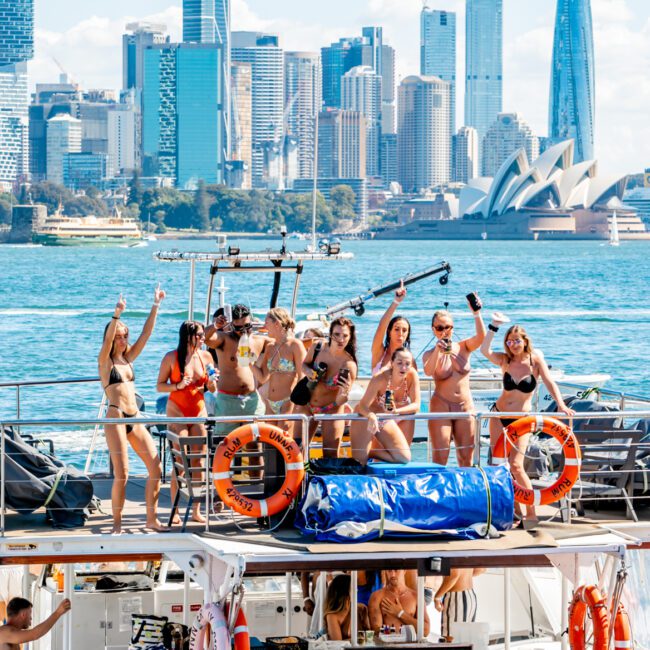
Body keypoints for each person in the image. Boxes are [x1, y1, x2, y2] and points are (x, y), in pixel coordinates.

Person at [480, 319, 575, 521]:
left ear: (524, 340)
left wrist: (561, 404)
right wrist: (494, 326)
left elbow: (549, 382)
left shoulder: (535, 359)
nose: (512, 345)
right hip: (499, 416)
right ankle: (512, 511)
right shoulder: (505, 360)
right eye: (508, 341)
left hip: (522, 420)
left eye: (516, 340)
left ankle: (530, 514)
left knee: (516, 465)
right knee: (500, 466)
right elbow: (484, 350)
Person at [98, 287, 166, 534]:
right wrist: (117, 314)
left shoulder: (129, 358)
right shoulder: (105, 361)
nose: (123, 339)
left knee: (155, 468)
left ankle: (151, 518)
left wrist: (156, 305)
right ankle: (117, 523)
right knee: (122, 475)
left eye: (125, 335)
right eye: (119, 335)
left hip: (134, 417)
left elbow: (147, 334)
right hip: (115, 417)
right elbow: (107, 342)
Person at [157, 320, 217, 524]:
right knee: (180, 462)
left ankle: (196, 510)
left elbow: (212, 389)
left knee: (198, 462)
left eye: (202, 335)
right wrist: (178, 385)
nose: (202, 338)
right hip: (177, 411)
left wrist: (210, 384)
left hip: (198, 411)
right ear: (188, 336)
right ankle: (174, 511)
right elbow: (159, 386)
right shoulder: (171, 357)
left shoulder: (206, 356)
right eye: (199, 335)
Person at [423, 298, 486, 467]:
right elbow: (428, 371)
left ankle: (465, 492)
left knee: (466, 459)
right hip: (441, 406)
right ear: (434, 330)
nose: (444, 331)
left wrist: (476, 313)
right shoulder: (429, 353)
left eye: (448, 327)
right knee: (440, 459)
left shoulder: (464, 346)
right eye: (440, 328)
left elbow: (481, 337)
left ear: (452, 328)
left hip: (465, 406)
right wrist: (438, 350)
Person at [295, 316, 357, 457]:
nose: (341, 339)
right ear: (330, 334)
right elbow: (304, 364)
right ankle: (302, 478)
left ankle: (323, 479)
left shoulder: (348, 364)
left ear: (350, 337)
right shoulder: (318, 347)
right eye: (337, 334)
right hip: (308, 405)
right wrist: (309, 371)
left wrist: (344, 395)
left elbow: (341, 400)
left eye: (345, 335)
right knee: (297, 450)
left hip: (332, 409)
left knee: (329, 456)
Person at [204, 304, 268, 437]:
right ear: (232, 325)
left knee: (255, 447)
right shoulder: (224, 339)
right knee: (225, 444)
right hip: (228, 401)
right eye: (239, 328)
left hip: (252, 400)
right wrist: (215, 326)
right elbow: (203, 337)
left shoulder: (258, 340)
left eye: (247, 326)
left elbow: (284, 344)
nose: (244, 331)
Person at [351, 347, 420, 465]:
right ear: (392, 363)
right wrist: (371, 415)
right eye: (399, 363)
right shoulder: (380, 377)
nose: (404, 367)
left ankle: (371, 452)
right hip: (366, 417)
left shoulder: (412, 375)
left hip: (385, 418)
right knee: (359, 463)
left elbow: (416, 405)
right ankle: (363, 453)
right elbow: (362, 405)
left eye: (407, 364)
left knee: (404, 457)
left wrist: (396, 411)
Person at [253, 308, 306, 418]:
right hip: (270, 403)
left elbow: (303, 377)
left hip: (289, 402)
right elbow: (263, 377)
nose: (264, 326)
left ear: (276, 323)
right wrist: (248, 362)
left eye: (267, 323)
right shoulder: (270, 347)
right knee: (269, 435)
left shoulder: (295, 345)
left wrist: (300, 404)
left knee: (283, 435)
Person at [369, 569, 430, 636]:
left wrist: (400, 613)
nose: (392, 574)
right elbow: (377, 633)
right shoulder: (377, 597)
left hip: (410, 645)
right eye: (389, 571)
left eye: (396, 570)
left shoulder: (416, 597)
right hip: (387, 645)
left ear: (404, 571)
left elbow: (425, 631)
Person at [371, 280, 412, 375]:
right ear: (389, 331)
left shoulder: (409, 359)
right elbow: (381, 326)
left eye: (404, 330)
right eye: (396, 329)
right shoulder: (379, 352)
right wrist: (396, 302)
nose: (400, 333)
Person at [434, 568, 485, 642]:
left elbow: (454, 574)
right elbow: (481, 569)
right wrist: (466, 576)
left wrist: (437, 597)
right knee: (464, 639)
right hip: (469, 595)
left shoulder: (451, 555)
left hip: (456, 597)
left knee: (451, 641)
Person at [0, 597, 70, 649]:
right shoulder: (4, 632)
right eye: (30, 614)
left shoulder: (11, 633)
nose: (31, 618)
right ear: (23, 614)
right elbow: (35, 634)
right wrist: (58, 612)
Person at [324, 574, 370, 641]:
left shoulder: (361, 608)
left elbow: (370, 636)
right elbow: (337, 644)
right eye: (353, 587)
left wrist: (365, 618)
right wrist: (359, 640)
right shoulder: (332, 616)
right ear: (344, 591)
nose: (357, 590)